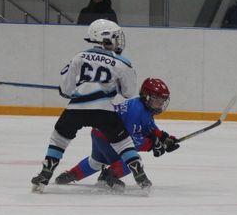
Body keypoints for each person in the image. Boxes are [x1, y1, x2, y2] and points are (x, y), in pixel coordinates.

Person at [30, 19, 152, 193]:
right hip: (103, 110)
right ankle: (141, 176)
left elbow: (66, 89)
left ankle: (44, 174)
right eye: (115, 37)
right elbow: (128, 92)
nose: (118, 42)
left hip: (76, 109)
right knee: (124, 144)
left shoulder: (78, 58)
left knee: (59, 139)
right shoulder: (122, 63)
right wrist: (114, 85)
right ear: (105, 38)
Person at [54, 78, 181, 191]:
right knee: (132, 159)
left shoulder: (140, 106)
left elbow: (149, 127)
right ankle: (109, 175)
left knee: (96, 161)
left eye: (163, 100)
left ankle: (71, 174)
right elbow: (129, 141)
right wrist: (152, 146)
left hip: (98, 134)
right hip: (109, 138)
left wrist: (164, 138)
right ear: (146, 96)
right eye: (157, 99)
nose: (160, 103)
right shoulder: (137, 111)